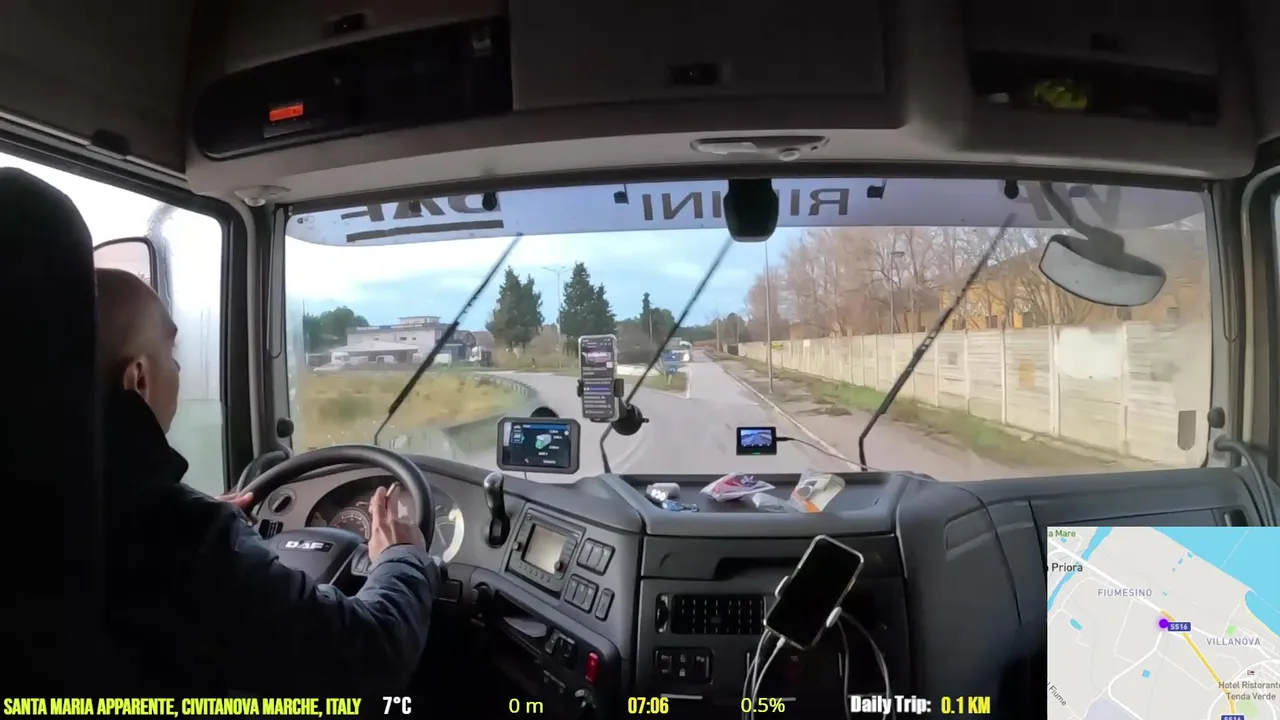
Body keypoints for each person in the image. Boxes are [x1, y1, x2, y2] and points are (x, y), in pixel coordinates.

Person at [95, 267, 441, 694]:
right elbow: (374, 650)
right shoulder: (181, 536)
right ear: (139, 379)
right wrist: (401, 556)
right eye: (171, 354)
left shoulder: (56, 506)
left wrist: (203, 516)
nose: (179, 368)